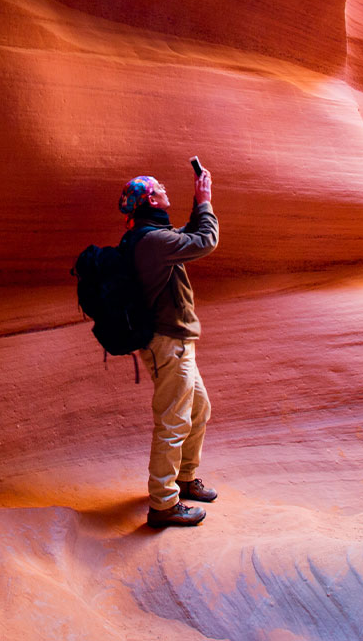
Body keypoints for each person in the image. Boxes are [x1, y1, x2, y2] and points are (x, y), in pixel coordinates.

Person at [119, 167, 219, 528]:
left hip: (173, 343)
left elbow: (188, 236)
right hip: (167, 344)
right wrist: (206, 203)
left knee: (197, 409)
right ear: (150, 200)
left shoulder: (148, 237)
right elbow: (204, 241)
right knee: (173, 420)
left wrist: (198, 201)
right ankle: (163, 504)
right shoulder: (153, 242)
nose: (165, 191)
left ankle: (183, 478)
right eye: (160, 188)